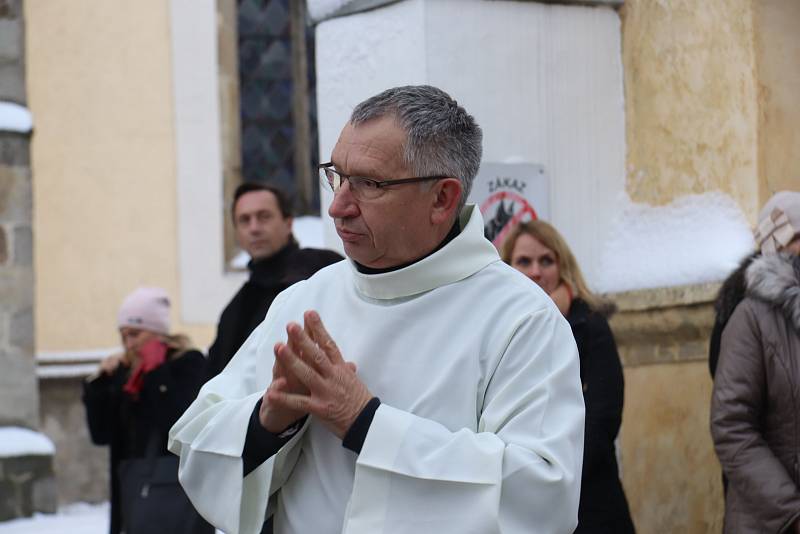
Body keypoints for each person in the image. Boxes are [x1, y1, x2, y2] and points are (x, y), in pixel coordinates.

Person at [169, 85, 585, 534]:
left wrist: (365, 422)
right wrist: (268, 420)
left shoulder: (520, 319)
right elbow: (199, 444)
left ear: (443, 199)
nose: (337, 207)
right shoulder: (306, 301)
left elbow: (542, 496)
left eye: (370, 184)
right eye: (337, 175)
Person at [501, 220, 635, 534]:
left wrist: (545, 480)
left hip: (589, 503)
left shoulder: (589, 325)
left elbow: (602, 420)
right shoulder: (497, 332)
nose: (535, 271)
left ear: (563, 266)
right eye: (524, 261)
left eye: (546, 260)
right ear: (507, 268)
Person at [83, 287, 213, 534]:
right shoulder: (127, 372)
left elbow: (181, 422)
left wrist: (156, 373)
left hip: (176, 495)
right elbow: (101, 434)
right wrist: (100, 384)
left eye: (135, 333)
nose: (128, 343)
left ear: (157, 331)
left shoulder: (188, 363)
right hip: (134, 492)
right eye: (123, 336)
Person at [711, 190, 800, 533]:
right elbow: (731, 426)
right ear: (777, 245)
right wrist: (792, 512)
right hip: (771, 522)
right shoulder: (750, 319)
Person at [205, 182, 342, 379]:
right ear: (236, 232)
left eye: (264, 217)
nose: (254, 228)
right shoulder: (233, 312)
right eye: (244, 220)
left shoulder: (321, 267)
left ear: (288, 223)